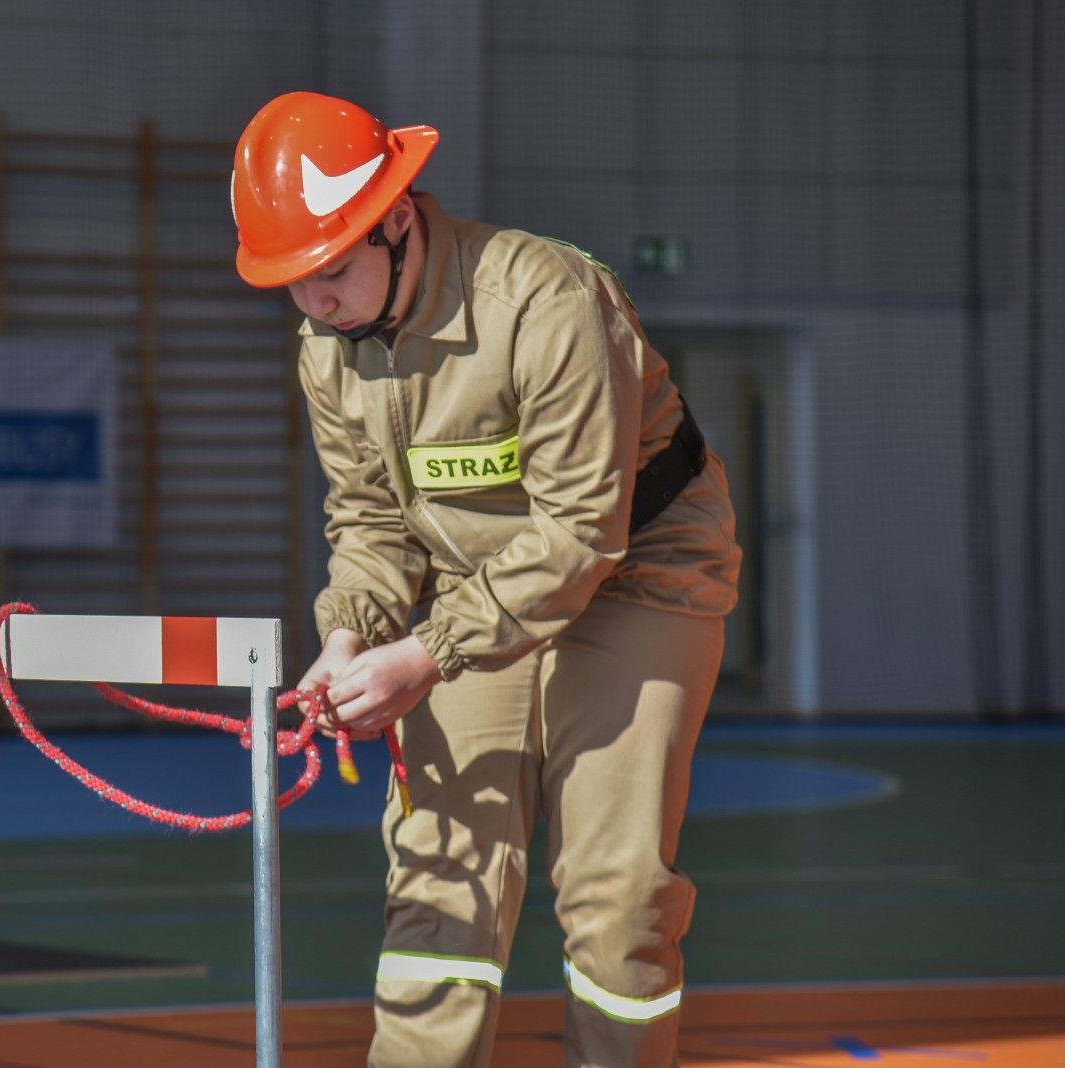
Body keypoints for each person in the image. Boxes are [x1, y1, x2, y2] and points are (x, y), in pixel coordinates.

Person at [231, 91, 742, 1067]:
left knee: (616, 897)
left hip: (636, 572)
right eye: (293, 282)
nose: (316, 304)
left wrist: (424, 654)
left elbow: (579, 532)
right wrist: (350, 634)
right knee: (441, 878)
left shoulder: (548, 304)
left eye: (330, 271)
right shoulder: (328, 347)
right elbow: (371, 518)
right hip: (474, 589)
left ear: (395, 219)